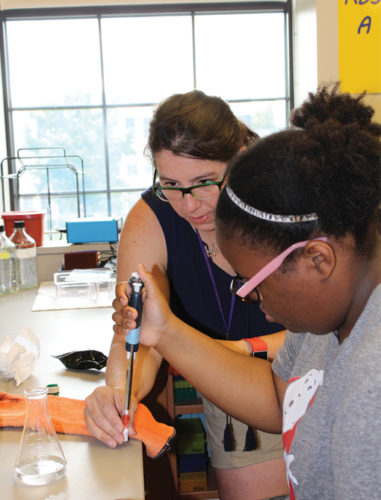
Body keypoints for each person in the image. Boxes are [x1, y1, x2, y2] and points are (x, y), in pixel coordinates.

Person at [122, 85, 381, 499]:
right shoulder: (324, 327)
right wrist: (165, 331)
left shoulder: (370, 385)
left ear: (318, 259)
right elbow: (277, 401)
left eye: (255, 282)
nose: (249, 298)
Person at [85, 90, 288, 499]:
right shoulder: (152, 218)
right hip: (231, 396)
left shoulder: (281, 203)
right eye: (171, 185)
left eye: (204, 183)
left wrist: (221, 350)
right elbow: (137, 339)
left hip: (311, 373)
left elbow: (326, 334)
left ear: (241, 158)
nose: (189, 205)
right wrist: (117, 393)